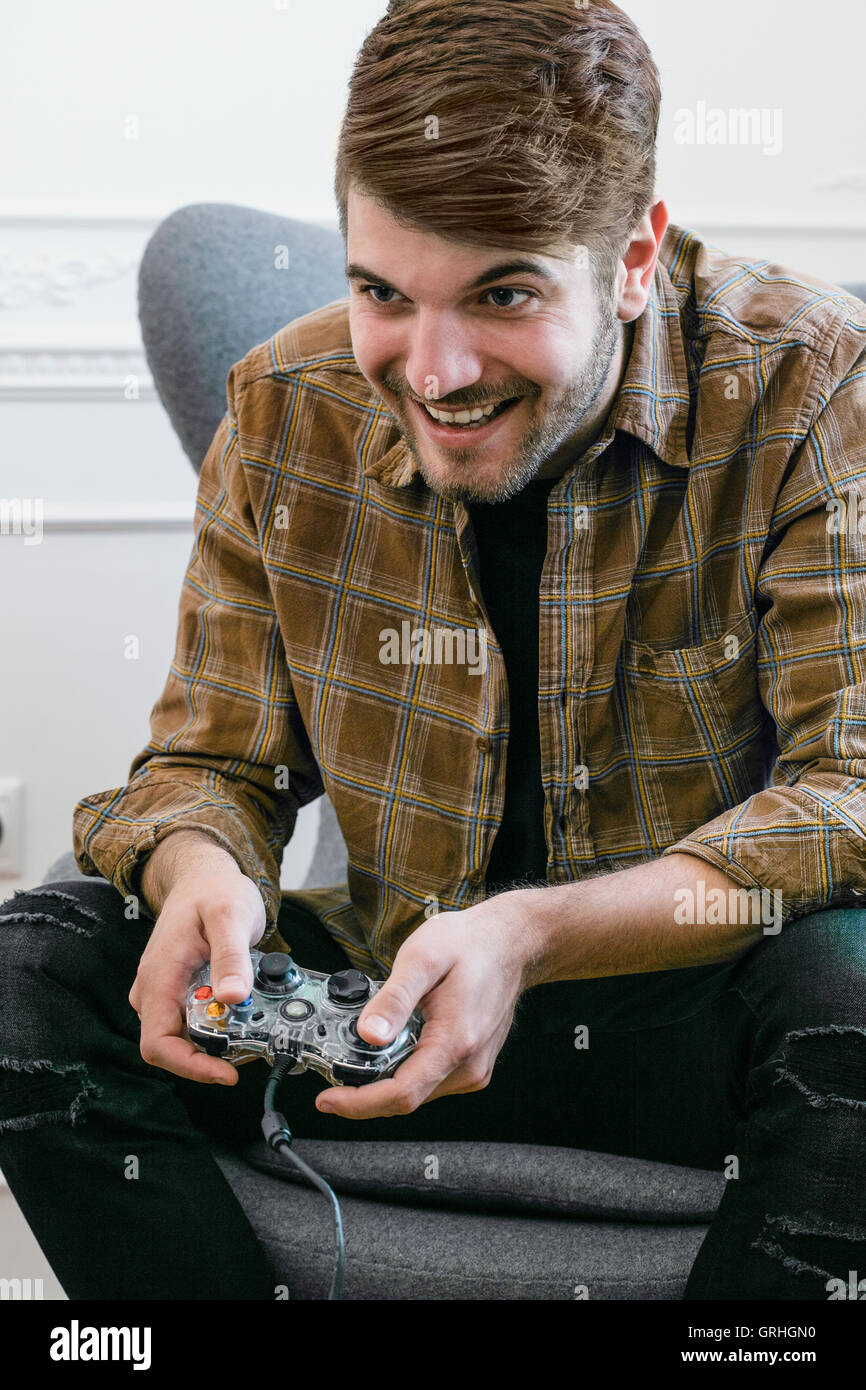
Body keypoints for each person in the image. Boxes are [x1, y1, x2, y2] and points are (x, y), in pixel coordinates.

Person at [2, 0, 865, 1301]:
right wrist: (204, 871)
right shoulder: (285, 408)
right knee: (29, 975)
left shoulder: (808, 385)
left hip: (693, 1024)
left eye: (503, 293)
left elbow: (850, 789)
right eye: (381, 293)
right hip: (375, 1003)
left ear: (633, 254)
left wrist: (530, 934)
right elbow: (201, 760)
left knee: (851, 983)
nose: (435, 367)